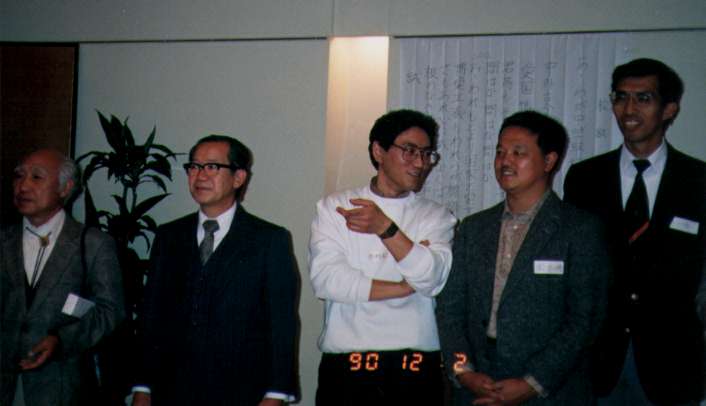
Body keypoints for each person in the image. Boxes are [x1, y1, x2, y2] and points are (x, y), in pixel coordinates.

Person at [436, 111, 610, 405]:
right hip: (475, 386)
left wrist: (533, 383)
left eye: (518, 153)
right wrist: (462, 370)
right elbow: (450, 310)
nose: (505, 161)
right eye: (500, 152)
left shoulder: (579, 229)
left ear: (549, 161)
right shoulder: (474, 228)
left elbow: (584, 320)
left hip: (549, 391)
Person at [564, 58, 706, 405]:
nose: (629, 109)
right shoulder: (585, 178)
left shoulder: (699, 181)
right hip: (598, 362)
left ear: (669, 109)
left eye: (643, 98)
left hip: (674, 366)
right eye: (621, 97)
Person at [131, 135, 298, 406]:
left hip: (241, 391)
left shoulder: (269, 239)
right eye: (194, 167)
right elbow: (152, 315)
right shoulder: (169, 236)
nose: (200, 176)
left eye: (212, 167)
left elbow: (282, 322)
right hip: (172, 389)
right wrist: (142, 385)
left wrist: (276, 393)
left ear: (238, 177)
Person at [308, 109, 456, 405]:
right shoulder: (335, 207)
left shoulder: (436, 216)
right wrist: (404, 286)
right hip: (347, 367)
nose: (420, 163)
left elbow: (431, 279)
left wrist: (384, 228)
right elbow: (328, 281)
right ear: (379, 151)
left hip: (415, 368)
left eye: (426, 154)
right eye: (410, 151)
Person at [1, 149, 125, 406]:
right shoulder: (3, 239)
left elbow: (110, 311)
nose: (23, 186)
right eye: (19, 176)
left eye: (37, 177)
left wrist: (62, 340)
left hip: (61, 387)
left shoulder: (93, 243)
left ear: (65, 188)